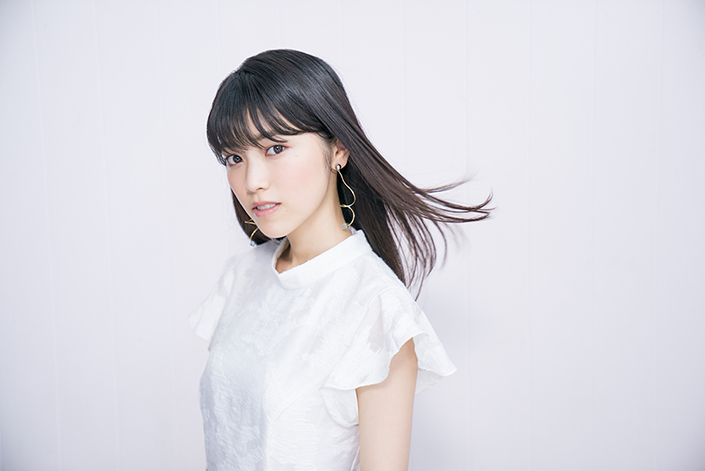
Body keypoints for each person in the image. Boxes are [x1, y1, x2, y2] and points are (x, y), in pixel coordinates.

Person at [190, 49, 490, 471]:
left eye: (275, 148)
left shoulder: (376, 309)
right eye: (234, 158)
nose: (252, 181)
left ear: (339, 149)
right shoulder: (241, 277)